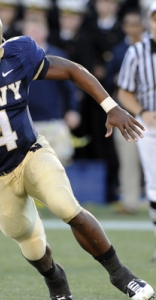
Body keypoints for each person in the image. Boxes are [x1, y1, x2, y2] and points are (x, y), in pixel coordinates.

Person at [0, 3, 155, 299]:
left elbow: (71, 70)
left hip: (30, 154)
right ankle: (56, 281)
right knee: (27, 240)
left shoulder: (17, 56)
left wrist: (110, 106)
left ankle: (121, 274)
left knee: (66, 207)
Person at [117, 1, 156, 262]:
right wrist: (142, 112)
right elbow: (124, 91)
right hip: (152, 127)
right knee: (155, 187)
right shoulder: (137, 51)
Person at [23, 17, 80, 166]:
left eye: (37, 31)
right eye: (30, 31)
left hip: (54, 120)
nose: (34, 34)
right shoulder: (16, 58)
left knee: (58, 164)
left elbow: (69, 87)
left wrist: (72, 110)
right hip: (26, 122)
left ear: (45, 32)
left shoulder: (58, 56)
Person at [106, 9, 145, 214]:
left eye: (136, 23)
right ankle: (130, 201)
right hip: (127, 112)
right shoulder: (119, 50)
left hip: (151, 110)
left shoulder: (151, 48)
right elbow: (108, 78)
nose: (133, 28)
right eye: (129, 24)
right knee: (128, 159)